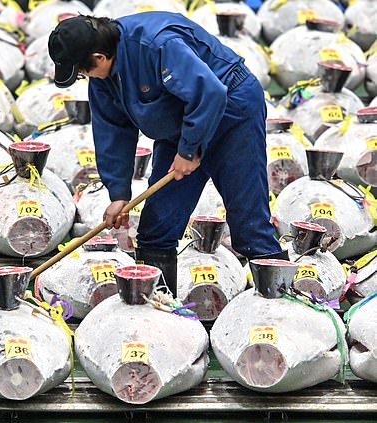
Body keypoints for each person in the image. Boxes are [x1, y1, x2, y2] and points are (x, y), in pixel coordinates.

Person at [48, 12, 286, 297]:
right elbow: (112, 130)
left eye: (83, 72)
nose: (85, 78)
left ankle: (280, 308)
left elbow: (209, 93)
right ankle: (159, 312)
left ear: (98, 57)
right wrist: (119, 193)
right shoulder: (103, 77)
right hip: (181, 121)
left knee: (249, 225)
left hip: (230, 111)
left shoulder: (157, 45)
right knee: (156, 229)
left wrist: (189, 149)